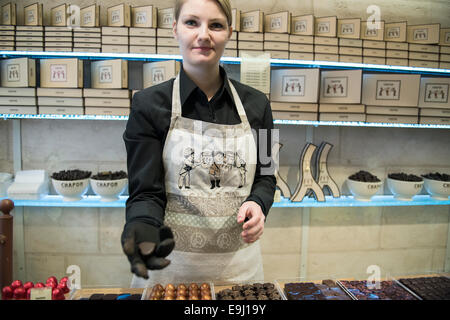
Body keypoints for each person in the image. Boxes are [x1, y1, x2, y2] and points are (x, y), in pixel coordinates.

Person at [121, 0, 276, 287]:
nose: (203, 34)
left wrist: (259, 203)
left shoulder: (259, 105)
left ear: (229, 32)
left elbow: (267, 174)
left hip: (239, 276)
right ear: (175, 29)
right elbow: (145, 193)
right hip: (170, 276)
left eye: (215, 25)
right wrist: (141, 224)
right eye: (192, 22)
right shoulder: (147, 105)